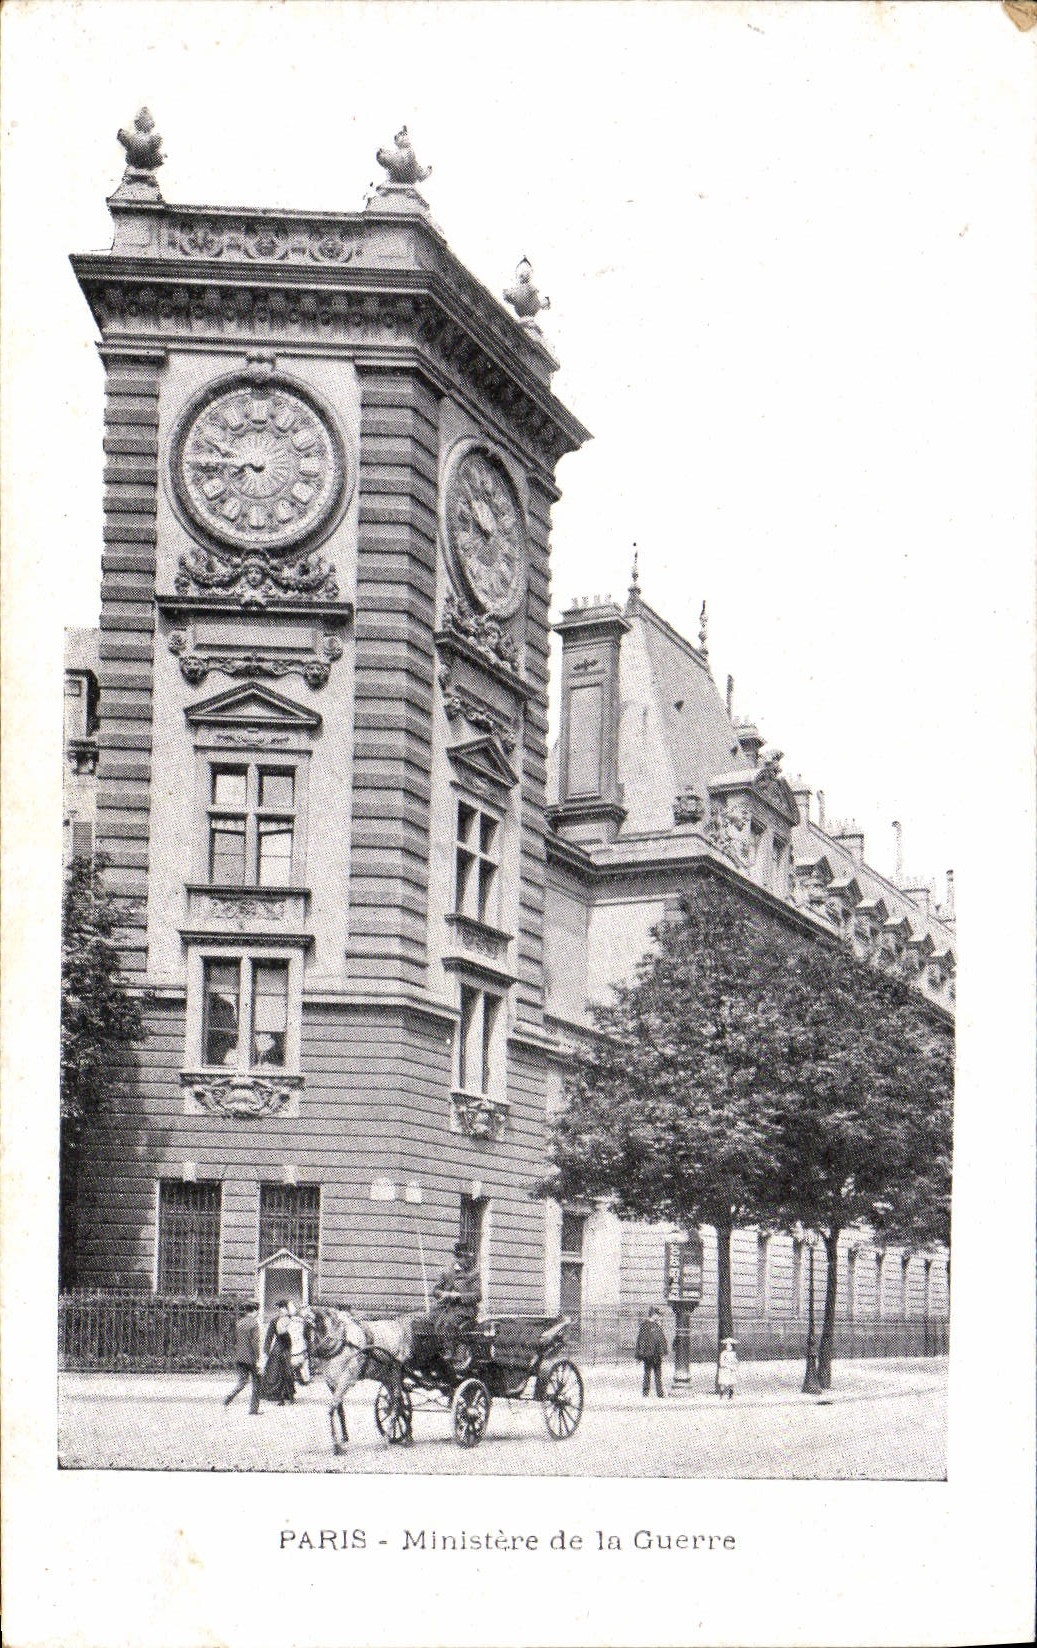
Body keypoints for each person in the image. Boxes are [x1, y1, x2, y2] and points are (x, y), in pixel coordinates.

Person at [427, 1243, 482, 1362]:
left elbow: (478, 1295)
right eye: (464, 1258)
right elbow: (435, 1290)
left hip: (465, 1309)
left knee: (449, 1322)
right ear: (458, 1257)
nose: (467, 1261)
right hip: (445, 1307)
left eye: (468, 1258)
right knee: (429, 1320)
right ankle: (429, 1351)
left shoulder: (473, 1274)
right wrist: (443, 1294)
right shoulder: (447, 1272)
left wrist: (459, 1296)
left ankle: (449, 1352)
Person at [224, 1300, 264, 1415]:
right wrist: (258, 1359)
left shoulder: (239, 1323)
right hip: (250, 1358)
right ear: (255, 1311)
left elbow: (234, 1340)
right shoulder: (254, 1324)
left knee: (242, 1381)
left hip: (240, 1357)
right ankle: (253, 1409)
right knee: (257, 1383)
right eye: (257, 1311)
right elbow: (255, 1343)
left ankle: (229, 1397)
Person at [262, 1299, 297, 1404]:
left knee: (288, 1371)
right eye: (280, 1308)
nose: (282, 1311)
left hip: (288, 1348)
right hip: (278, 1349)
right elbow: (269, 1336)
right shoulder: (275, 1321)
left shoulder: (292, 1321)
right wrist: (266, 1349)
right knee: (275, 1372)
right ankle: (276, 1395)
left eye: (283, 1308)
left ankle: (287, 1394)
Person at [635, 1306, 668, 1398]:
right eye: (658, 1315)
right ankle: (650, 1392)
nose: (659, 1317)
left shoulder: (654, 1325)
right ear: (654, 1315)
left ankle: (657, 1392)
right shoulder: (648, 1325)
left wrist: (639, 1355)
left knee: (654, 1374)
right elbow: (641, 1341)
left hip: (653, 1354)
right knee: (651, 1373)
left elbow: (660, 1340)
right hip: (650, 1354)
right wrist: (640, 1355)